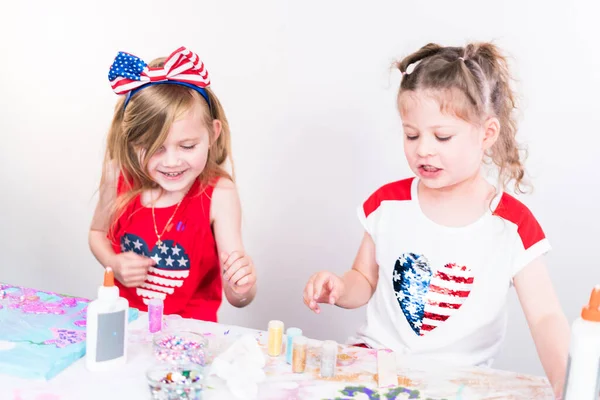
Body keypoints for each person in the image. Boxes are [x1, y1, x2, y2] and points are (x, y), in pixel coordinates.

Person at [303, 42, 569, 397]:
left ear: (486, 134)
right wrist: (339, 287)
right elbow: (364, 278)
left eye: (442, 136)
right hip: (376, 368)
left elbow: (545, 317)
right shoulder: (388, 204)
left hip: (457, 384)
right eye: (411, 134)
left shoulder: (512, 226)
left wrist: (566, 381)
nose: (423, 149)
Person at [89, 47, 257, 322]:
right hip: (127, 328)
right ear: (132, 143)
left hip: (189, 336)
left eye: (187, 145)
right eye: (154, 148)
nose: (171, 162)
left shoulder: (220, 194)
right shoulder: (117, 174)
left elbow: (237, 295)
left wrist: (242, 285)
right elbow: (96, 234)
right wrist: (114, 263)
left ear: (213, 133)